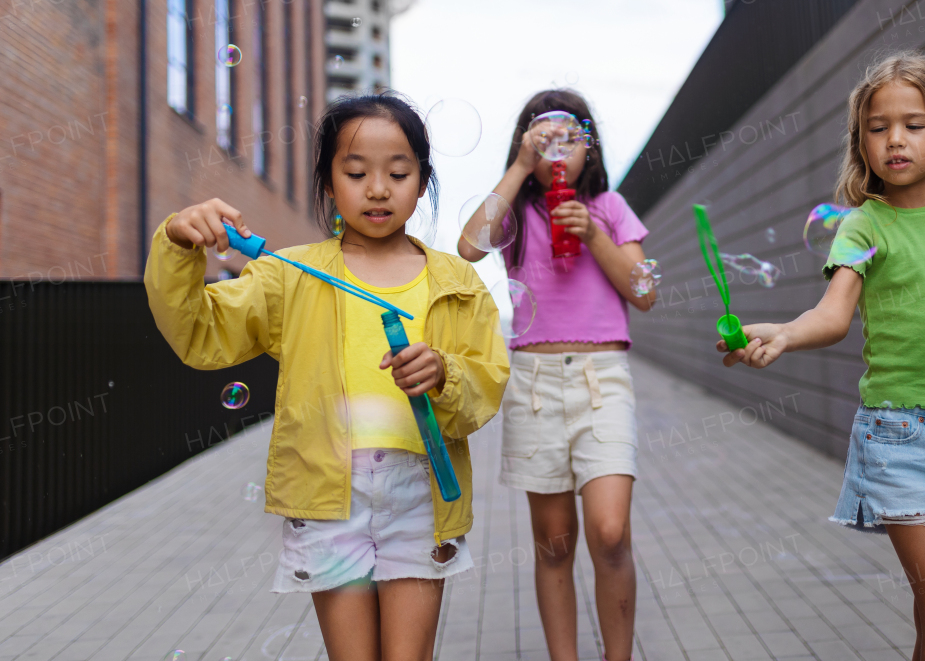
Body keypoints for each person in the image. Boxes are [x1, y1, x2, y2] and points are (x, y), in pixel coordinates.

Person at [145, 93, 509, 661]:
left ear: (423, 179)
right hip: (326, 492)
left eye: (399, 171)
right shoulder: (289, 275)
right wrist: (175, 244)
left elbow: (486, 385)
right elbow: (200, 335)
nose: (379, 188)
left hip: (422, 494)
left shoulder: (456, 280)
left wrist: (445, 373)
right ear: (329, 182)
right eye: (356, 171)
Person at [719, 52, 925, 661]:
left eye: (913, 124)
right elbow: (831, 316)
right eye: (878, 128)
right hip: (900, 436)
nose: (895, 140)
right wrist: (783, 332)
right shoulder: (863, 226)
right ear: (862, 143)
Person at [458, 89, 654, 661]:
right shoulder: (517, 213)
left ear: (588, 152)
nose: (557, 151)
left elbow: (644, 292)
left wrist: (593, 233)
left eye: (569, 138)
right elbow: (469, 246)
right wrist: (518, 169)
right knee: (553, 545)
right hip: (535, 382)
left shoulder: (611, 208)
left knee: (611, 533)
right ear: (526, 150)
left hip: (603, 379)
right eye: (541, 142)